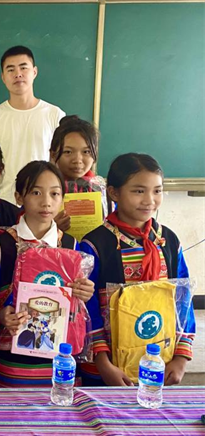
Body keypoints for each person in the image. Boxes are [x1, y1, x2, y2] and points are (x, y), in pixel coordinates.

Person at [79, 153, 195, 386]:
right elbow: (86, 308)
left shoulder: (168, 241)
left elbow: (183, 299)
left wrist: (181, 357)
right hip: (108, 368)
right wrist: (103, 363)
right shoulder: (95, 244)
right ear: (114, 193)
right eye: (139, 191)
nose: (149, 200)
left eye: (157, 191)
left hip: (159, 360)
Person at [0, 161, 94, 387]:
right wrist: (1, 315)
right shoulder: (1, 245)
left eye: (55, 194)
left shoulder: (72, 246)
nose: (46, 202)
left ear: (63, 198)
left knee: (60, 406)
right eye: (36, 192)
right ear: (19, 197)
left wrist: (85, 292)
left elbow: (79, 304)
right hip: (12, 360)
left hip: (61, 357)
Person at [0, 46, 65, 203]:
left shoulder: (55, 115)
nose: (18, 74)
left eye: (23, 67)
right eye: (10, 69)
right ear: (3, 77)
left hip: (44, 203)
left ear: (34, 72)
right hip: (4, 202)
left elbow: (60, 164)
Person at [49, 115, 109, 232]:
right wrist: (49, 228)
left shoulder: (103, 191)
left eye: (86, 151)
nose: (77, 160)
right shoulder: (41, 189)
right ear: (53, 154)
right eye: (68, 152)